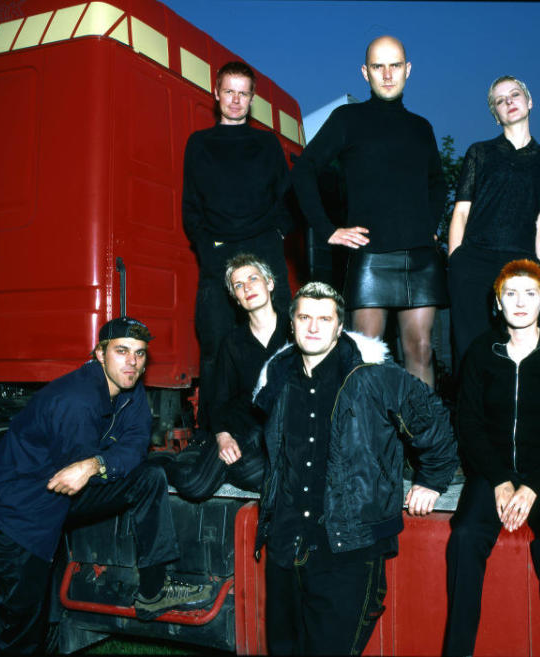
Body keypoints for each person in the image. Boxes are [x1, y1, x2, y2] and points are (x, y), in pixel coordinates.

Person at [0, 317, 211, 653]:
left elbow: (134, 446)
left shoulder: (130, 391)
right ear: (99, 354)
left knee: (149, 477)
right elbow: (79, 468)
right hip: (19, 513)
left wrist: (96, 464)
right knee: (25, 629)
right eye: (122, 351)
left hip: (62, 495)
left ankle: (153, 591)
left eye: (140, 354)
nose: (133, 362)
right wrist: (95, 464)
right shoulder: (76, 400)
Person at [252, 282, 458, 655]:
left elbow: (431, 419)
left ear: (338, 326)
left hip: (348, 546)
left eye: (324, 318)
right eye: (305, 317)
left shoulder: (373, 376)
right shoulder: (277, 377)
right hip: (286, 544)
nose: (313, 326)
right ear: (292, 324)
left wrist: (432, 479)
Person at [443, 259, 540, 657]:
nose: (520, 302)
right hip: (491, 473)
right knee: (466, 537)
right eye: (511, 294)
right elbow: (468, 423)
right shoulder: (481, 351)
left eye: (529, 293)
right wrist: (500, 479)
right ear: (498, 302)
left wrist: (532, 486)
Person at [290, 36, 446, 387]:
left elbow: (438, 183)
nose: (387, 74)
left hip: (420, 256)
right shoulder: (347, 118)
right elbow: (303, 170)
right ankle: (365, 442)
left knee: (420, 350)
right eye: (378, 66)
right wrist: (327, 227)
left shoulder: (422, 128)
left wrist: (430, 226)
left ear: (408, 69)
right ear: (365, 73)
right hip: (370, 256)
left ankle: (418, 441)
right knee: (364, 356)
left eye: (395, 66)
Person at [183, 60, 292, 431]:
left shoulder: (266, 143)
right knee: (215, 346)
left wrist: (276, 235)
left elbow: (286, 199)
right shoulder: (199, 144)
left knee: (281, 342)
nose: (235, 99)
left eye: (243, 93)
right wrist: (206, 247)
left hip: (265, 252)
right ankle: (212, 437)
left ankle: (285, 429)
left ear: (252, 99)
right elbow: (190, 206)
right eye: (229, 91)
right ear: (216, 93)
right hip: (217, 256)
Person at [447, 75, 540, 367]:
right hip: (472, 262)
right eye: (500, 101)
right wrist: (455, 261)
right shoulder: (479, 153)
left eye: (514, 95)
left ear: (529, 101)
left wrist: (538, 271)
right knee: (470, 350)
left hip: (519, 266)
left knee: (517, 350)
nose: (508, 102)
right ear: (495, 116)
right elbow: (460, 212)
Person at [165, 254, 289, 498]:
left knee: (273, 482)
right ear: (236, 298)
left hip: (281, 433)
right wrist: (222, 438)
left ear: (270, 283)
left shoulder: (295, 330)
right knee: (194, 488)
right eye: (238, 285)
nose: (247, 287)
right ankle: (162, 465)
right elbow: (219, 399)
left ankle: (220, 467)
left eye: (253, 278)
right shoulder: (233, 342)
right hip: (240, 431)